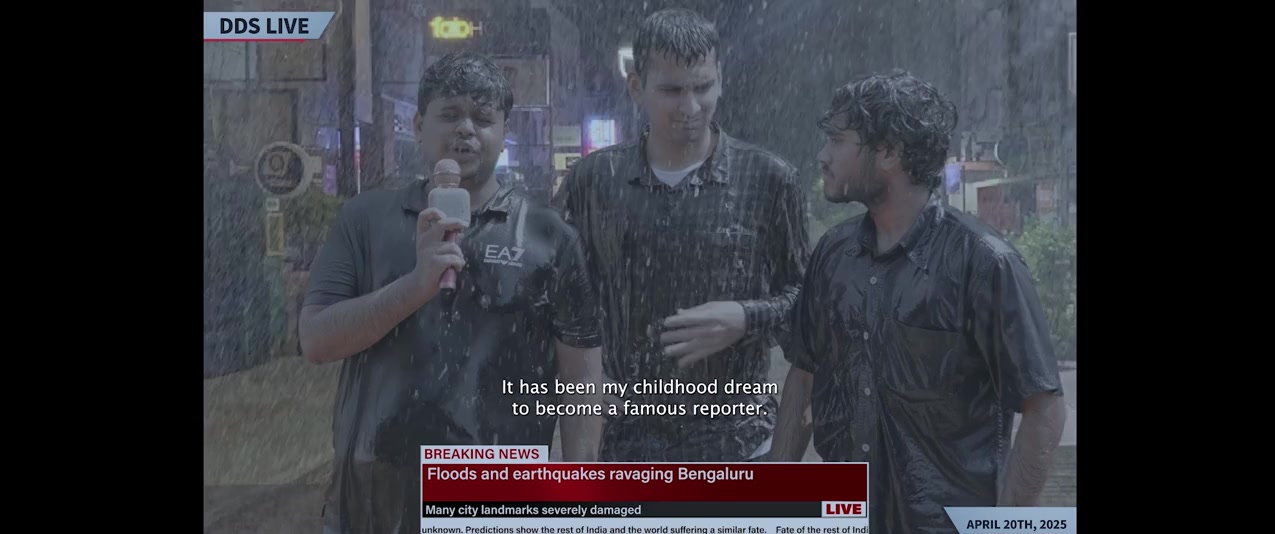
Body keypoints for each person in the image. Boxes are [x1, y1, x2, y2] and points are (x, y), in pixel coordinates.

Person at [300, 51, 604, 534]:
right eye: (450, 114)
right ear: (419, 124)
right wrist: (412, 288)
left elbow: (581, 381)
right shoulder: (365, 220)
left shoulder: (550, 238)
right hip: (373, 496)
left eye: (482, 118)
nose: (466, 129)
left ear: (505, 132)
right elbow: (317, 340)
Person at [771, 71, 1067, 532]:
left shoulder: (984, 263)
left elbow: (1043, 408)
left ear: (889, 152)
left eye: (837, 140)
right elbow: (804, 376)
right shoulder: (833, 254)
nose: (822, 156)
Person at [552, 8, 809, 462]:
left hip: (739, 441)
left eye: (702, 87)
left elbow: (809, 304)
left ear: (721, 80)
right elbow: (553, 298)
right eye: (672, 91)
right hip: (624, 441)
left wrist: (746, 317)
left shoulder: (768, 180)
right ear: (636, 87)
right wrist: (581, 382)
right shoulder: (593, 182)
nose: (690, 108)